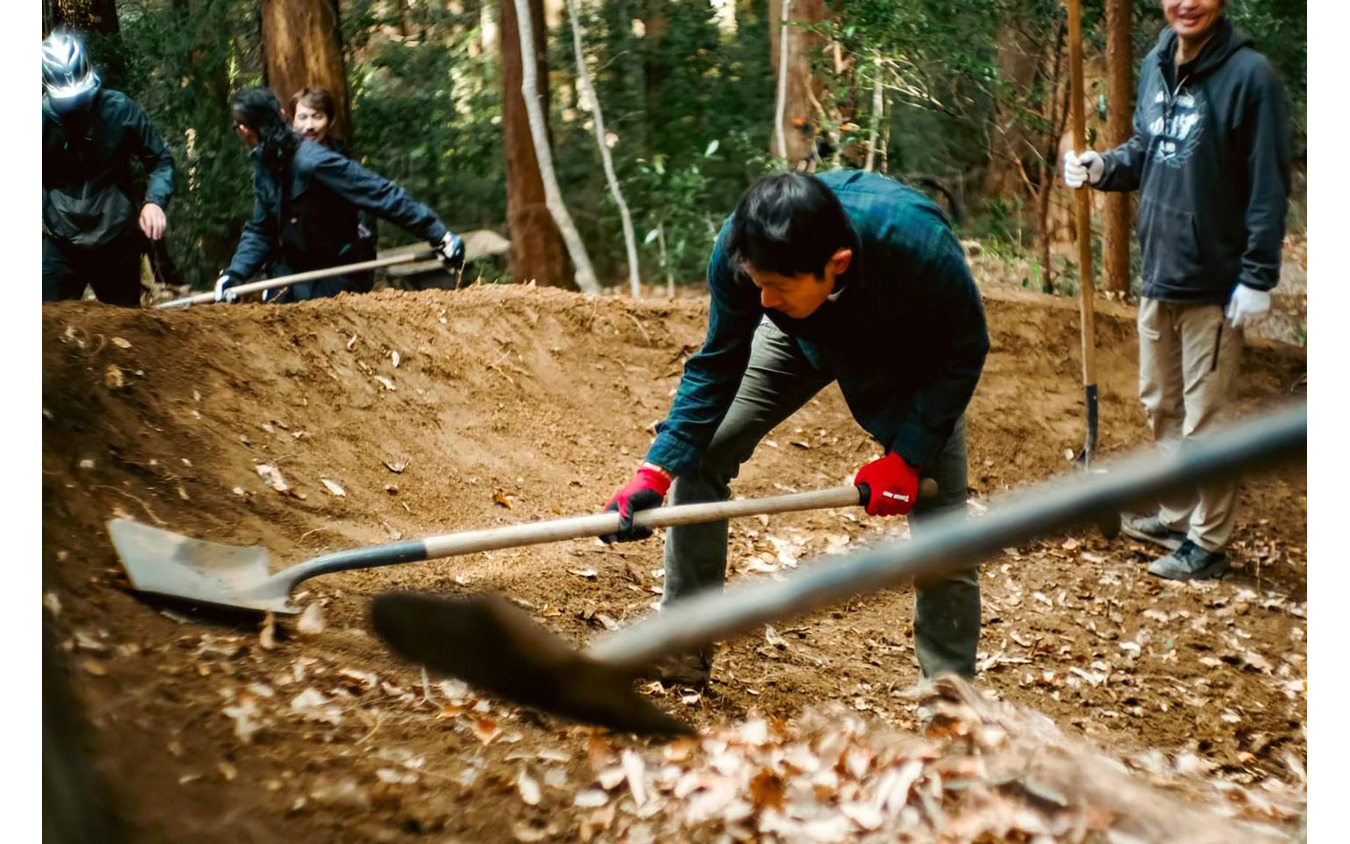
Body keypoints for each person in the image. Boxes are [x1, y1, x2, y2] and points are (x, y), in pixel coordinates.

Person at [601, 171, 989, 686]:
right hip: (796, 338)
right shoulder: (743, 252)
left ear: (838, 264)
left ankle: (949, 702)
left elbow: (965, 347)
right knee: (704, 454)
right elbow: (718, 362)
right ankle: (683, 646)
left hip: (906, 353)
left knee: (943, 526)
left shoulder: (918, 245)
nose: (762, 300)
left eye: (776, 287)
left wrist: (909, 458)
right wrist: (657, 468)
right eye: (758, 284)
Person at [1063, 0, 1290, 581]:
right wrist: (1103, 167)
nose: (1186, 3)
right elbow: (1149, 149)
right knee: (1160, 403)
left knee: (1206, 419)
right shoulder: (1157, 63)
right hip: (1160, 269)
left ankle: (1208, 545)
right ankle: (1176, 511)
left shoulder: (1250, 78)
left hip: (1215, 283)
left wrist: (1258, 276)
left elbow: (1269, 185)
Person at [215, 87, 463, 304]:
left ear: (245, 130)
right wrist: (235, 274)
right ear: (283, 116)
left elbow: (379, 193)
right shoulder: (266, 163)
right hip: (290, 276)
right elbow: (262, 228)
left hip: (336, 277)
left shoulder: (313, 161)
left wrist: (438, 235)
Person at [42, 30, 174, 307]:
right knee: (46, 331)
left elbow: (160, 159)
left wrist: (154, 202)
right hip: (61, 243)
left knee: (127, 330)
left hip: (116, 242)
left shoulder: (119, 110)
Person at [287, 86, 378, 294]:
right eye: (302, 117)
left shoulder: (344, 161)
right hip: (298, 271)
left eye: (317, 117)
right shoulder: (282, 164)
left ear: (330, 120)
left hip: (342, 268)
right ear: (292, 121)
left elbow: (368, 209)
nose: (309, 126)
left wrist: (362, 238)